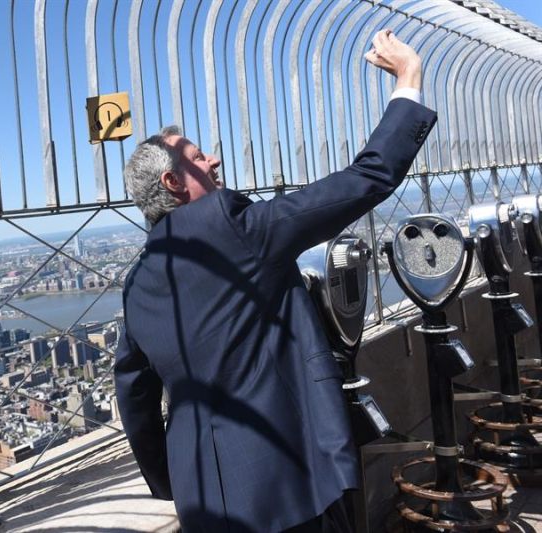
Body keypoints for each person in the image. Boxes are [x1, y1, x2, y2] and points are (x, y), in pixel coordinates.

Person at [114, 30, 435, 532]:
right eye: (198, 158)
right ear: (173, 184)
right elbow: (367, 178)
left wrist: (174, 482)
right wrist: (408, 79)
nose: (213, 160)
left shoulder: (137, 287)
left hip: (206, 506)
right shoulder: (236, 230)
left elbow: (135, 400)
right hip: (293, 488)